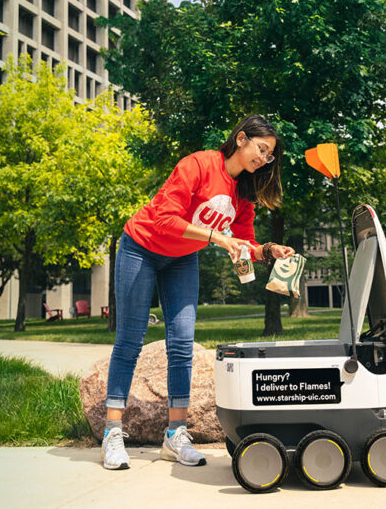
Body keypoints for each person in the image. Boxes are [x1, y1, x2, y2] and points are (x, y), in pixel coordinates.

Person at [101, 115, 296, 470]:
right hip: (141, 248)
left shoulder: (243, 194)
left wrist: (268, 250)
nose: (263, 159)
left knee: (182, 344)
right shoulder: (199, 164)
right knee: (130, 340)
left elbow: (243, 243)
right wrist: (215, 237)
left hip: (180, 259)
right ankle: (112, 433)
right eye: (261, 149)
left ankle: (175, 435)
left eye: (269, 156)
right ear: (241, 139)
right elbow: (164, 220)